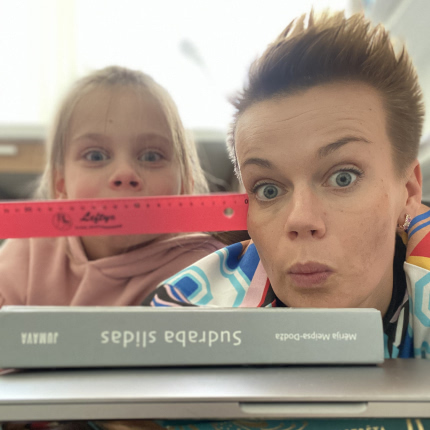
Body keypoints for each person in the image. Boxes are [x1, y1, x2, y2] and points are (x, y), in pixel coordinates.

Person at [146, 9, 430, 359]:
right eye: (268, 189)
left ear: (409, 191)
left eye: (343, 177)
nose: (300, 220)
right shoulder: (181, 320)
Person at [0, 66, 224, 306]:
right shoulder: (26, 256)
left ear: (185, 185)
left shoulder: (208, 268)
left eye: (151, 156)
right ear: (61, 183)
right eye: (95, 156)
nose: (124, 173)